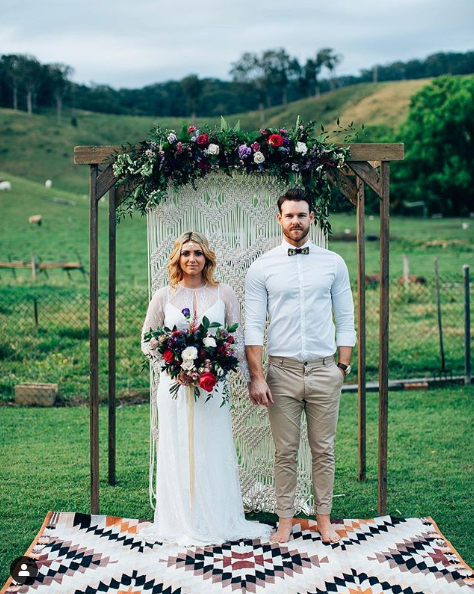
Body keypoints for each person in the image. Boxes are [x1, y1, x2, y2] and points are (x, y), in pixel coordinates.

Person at [139, 231, 272, 546]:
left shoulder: (223, 293)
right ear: (177, 258)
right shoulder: (164, 296)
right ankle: (181, 519)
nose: (192, 259)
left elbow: (236, 341)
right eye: (185, 253)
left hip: (212, 389)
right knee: (178, 447)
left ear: (207, 258)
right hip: (175, 388)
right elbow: (148, 340)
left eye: (197, 253)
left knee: (212, 446)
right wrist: (172, 369)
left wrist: (250, 377)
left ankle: (216, 517)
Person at [244, 188, 357, 544]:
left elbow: (346, 317)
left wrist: (342, 367)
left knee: (324, 449)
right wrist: (258, 376)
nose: (296, 221)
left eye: (302, 214)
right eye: (289, 215)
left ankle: (324, 520)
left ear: (312, 218)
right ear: (279, 219)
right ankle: (285, 522)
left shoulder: (333, 262)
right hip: (282, 373)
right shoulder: (262, 267)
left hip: (326, 371)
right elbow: (252, 326)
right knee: (286, 452)